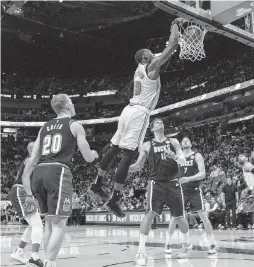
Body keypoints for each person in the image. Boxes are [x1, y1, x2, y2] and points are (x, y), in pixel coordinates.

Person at [90, 19, 181, 218]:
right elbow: (172, 44)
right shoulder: (151, 67)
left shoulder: (140, 69)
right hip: (139, 113)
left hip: (127, 111)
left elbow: (166, 50)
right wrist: (174, 23)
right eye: (149, 52)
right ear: (144, 58)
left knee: (114, 147)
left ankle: (97, 183)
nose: (152, 52)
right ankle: (114, 199)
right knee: (128, 155)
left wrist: (172, 40)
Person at [22, 94, 99, 267]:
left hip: (39, 173)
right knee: (59, 225)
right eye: (72, 103)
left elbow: (33, 158)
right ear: (67, 105)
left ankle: (47, 261)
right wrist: (94, 155)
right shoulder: (75, 125)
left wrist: (27, 178)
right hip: (58, 172)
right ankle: (50, 262)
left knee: (49, 223)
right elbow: (87, 158)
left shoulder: (45, 127)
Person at [128, 118, 191, 265]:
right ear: (152, 129)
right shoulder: (147, 145)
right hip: (156, 183)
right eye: (156, 123)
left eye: (162, 122)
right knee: (149, 215)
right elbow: (138, 165)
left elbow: (183, 161)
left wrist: (174, 156)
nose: (160, 124)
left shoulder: (174, 141)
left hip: (173, 182)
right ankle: (141, 252)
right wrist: (124, 169)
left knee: (180, 216)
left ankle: (186, 246)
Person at [166, 137, 218, 254]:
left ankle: (213, 244)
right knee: (175, 217)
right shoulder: (177, 157)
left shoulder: (197, 155)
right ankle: (168, 244)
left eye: (187, 140)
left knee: (203, 216)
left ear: (191, 143)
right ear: (180, 144)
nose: (185, 141)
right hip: (180, 190)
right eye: (183, 140)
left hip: (194, 189)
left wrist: (189, 178)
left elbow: (203, 173)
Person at [9, 142, 43, 267]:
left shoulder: (33, 161)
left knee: (33, 225)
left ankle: (19, 251)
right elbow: (25, 176)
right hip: (21, 190)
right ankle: (34, 257)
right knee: (38, 225)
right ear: (31, 150)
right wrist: (29, 195)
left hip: (23, 191)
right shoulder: (31, 159)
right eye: (38, 148)